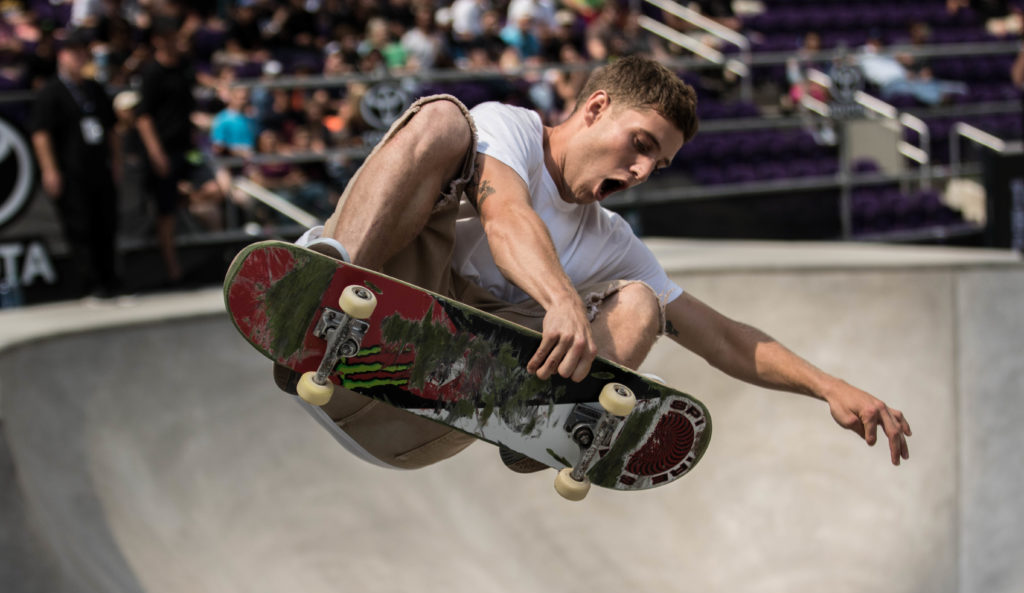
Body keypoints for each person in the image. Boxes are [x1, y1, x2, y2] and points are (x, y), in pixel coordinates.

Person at [277, 55, 911, 472]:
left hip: (409, 428)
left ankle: (536, 422)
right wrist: (558, 298)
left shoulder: (611, 240)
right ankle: (322, 287)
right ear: (596, 107)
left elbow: (722, 337)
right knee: (443, 119)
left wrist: (830, 387)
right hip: (377, 298)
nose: (639, 173)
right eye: (639, 146)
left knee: (642, 303)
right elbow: (506, 216)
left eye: (655, 165)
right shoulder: (510, 129)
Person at [30, 29, 122, 298]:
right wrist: (50, 169)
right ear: (62, 55)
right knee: (80, 227)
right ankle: (90, 283)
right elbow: (41, 134)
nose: (79, 58)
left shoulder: (93, 89)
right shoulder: (51, 92)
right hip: (71, 172)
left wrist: (115, 161)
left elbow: (112, 129)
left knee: (106, 224)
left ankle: (110, 279)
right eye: (74, 52)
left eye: (84, 52)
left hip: (99, 169)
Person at [135, 16, 195, 285]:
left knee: (211, 188)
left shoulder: (184, 68)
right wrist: (155, 152)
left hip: (187, 148)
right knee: (166, 212)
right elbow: (143, 116)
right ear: (158, 40)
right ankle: (173, 270)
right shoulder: (151, 72)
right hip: (163, 149)